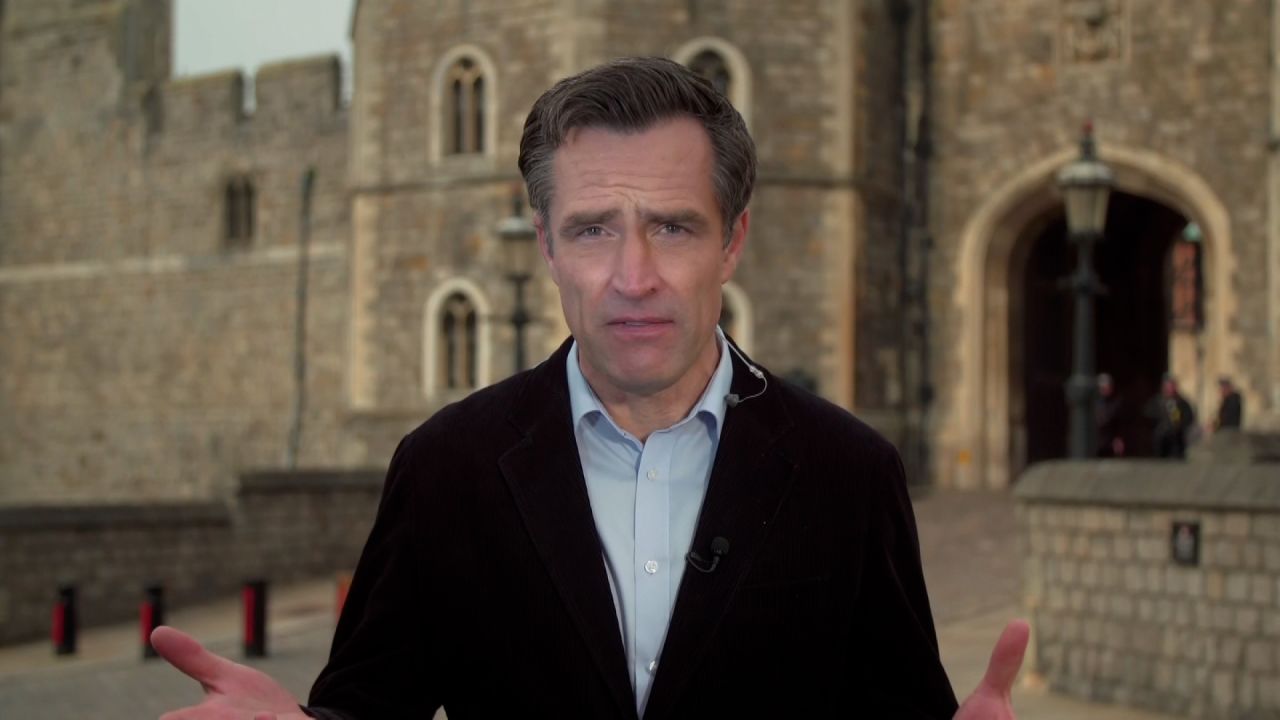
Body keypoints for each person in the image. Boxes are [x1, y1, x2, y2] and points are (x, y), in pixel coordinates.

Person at [152, 57, 1027, 719]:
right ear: (547, 245)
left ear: (732, 243)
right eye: (594, 229)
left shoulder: (850, 470)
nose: (633, 275)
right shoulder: (446, 468)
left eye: (674, 227)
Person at [1145, 374, 1195, 459]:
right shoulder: (1157, 401)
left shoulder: (1182, 403)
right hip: (1160, 440)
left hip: (1176, 441)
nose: (1169, 389)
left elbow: (1189, 418)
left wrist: (1179, 425)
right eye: (1167, 386)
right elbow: (1147, 414)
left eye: (1172, 386)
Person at [1095, 373, 1125, 457]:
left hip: (1110, 442)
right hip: (1095, 441)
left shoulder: (1116, 402)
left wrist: (1118, 439)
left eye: (1106, 387)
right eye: (1102, 387)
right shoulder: (1094, 402)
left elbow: (1119, 423)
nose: (1104, 389)